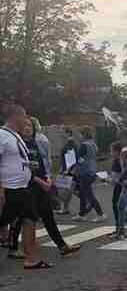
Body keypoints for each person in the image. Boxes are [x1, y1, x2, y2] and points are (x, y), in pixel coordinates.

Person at [8, 117, 81, 259]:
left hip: (40, 185)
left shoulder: (34, 143)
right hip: (26, 186)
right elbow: (21, 169)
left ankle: (62, 246)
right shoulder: (18, 145)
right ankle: (12, 248)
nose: (28, 128)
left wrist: (47, 178)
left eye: (30, 125)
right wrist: (42, 182)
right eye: (24, 126)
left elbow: (41, 165)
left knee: (48, 216)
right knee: (20, 217)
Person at [0, 104, 51, 269]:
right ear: (15, 117)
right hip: (11, 188)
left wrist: (28, 164)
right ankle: (31, 258)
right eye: (24, 116)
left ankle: (31, 259)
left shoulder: (15, 136)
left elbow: (13, 160)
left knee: (30, 219)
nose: (26, 120)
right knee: (6, 221)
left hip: (23, 186)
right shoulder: (2, 135)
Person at [73, 127, 105, 222]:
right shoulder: (93, 144)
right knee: (83, 193)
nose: (79, 136)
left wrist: (75, 166)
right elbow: (95, 156)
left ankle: (101, 214)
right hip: (92, 170)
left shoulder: (83, 145)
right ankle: (81, 214)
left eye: (80, 134)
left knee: (88, 193)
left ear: (84, 134)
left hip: (84, 171)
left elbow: (80, 159)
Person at [110, 142, 127, 235]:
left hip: (121, 185)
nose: (111, 153)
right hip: (120, 184)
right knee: (119, 206)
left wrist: (113, 180)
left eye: (112, 151)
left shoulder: (119, 160)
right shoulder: (117, 159)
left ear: (117, 151)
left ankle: (126, 225)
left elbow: (120, 174)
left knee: (118, 206)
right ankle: (125, 226)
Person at [57, 128, 78, 215]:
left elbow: (71, 158)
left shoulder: (70, 142)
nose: (61, 135)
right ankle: (65, 208)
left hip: (68, 170)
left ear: (68, 133)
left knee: (65, 190)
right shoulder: (69, 142)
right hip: (69, 169)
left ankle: (65, 208)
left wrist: (66, 170)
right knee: (68, 189)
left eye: (63, 133)